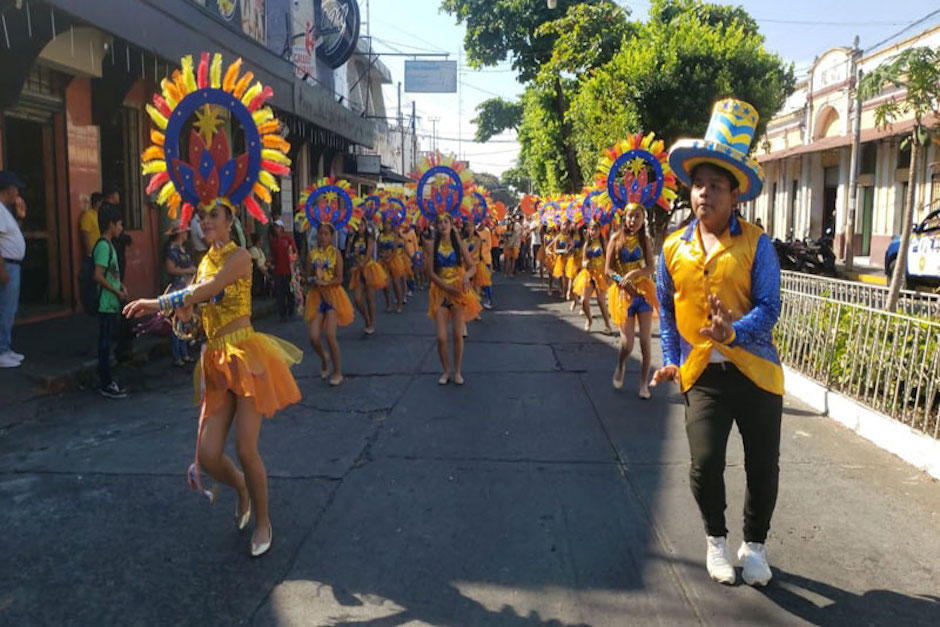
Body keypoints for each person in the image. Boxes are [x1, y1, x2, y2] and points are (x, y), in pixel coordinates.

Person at [128, 53, 299, 557]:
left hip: (246, 356)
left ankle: (264, 521)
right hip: (214, 360)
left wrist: (161, 299)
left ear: (230, 221)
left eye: (213, 217)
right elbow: (197, 310)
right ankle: (242, 493)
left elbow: (206, 291)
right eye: (202, 217)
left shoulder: (241, 257)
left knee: (246, 448)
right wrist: (177, 319)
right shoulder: (201, 262)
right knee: (207, 455)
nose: (205, 224)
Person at [652, 98, 783, 587]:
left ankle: (755, 546)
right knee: (705, 464)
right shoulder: (672, 247)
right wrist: (670, 359)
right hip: (703, 372)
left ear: (734, 196)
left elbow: (770, 307)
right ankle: (715, 540)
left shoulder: (756, 243)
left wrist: (735, 331)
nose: (704, 193)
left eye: (715, 186)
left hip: (756, 371)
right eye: (698, 184)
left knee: (762, 467)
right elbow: (666, 308)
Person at [606, 204, 656, 396]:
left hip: (643, 293)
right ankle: (621, 364)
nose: (633, 220)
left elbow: (651, 267)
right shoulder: (615, 239)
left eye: (637, 216)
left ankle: (643, 384)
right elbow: (608, 270)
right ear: (624, 218)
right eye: (630, 216)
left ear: (643, 219)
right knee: (628, 344)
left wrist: (636, 272)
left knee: (645, 341)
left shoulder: (646, 240)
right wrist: (621, 281)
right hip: (623, 295)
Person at [427, 212, 479, 385]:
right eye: (440, 222)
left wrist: (466, 277)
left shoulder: (459, 244)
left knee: (457, 335)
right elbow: (431, 273)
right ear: (436, 226)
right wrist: (445, 286)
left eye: (446, 221)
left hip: (458, 293)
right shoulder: (433, 245)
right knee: (441, 337)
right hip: (441, 292)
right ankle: (446, 371)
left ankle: (457, 371)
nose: (443, 225)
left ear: (451, 224)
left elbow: (472, 267)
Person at [303, 217, 354, 387]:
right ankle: (324, 358)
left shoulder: (336, 253)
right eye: (320, 234)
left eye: (326, 234)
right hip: (317, 297)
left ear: (331, 236)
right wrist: (313, 279)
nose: (322, 237)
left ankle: (338, 371)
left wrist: (326, 282)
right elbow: (306, 276)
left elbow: (340, 278)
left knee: (331, 335)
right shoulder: (312, 253)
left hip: (332, 296)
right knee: (313, 337)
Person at [93, 203, 129, 397]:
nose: (121, 228)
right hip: (105, 302)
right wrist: (116, 292)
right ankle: (106, 382)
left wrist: (120, 287)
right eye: (119, 224)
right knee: (105, 345)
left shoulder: (110, 246)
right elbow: (98, 275)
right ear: (110, 225)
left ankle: (107, 379)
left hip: (111, 301)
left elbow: (111, 275)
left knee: (109, 342)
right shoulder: (103, 246)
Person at [0, 171, 26, 368]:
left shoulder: (5, 210)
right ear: (7, 189)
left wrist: (21, 217)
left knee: (10, 309)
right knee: (5, 309)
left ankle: (6, 348)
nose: (17, 192)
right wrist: (2, 270)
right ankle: (1, 350)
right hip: (6, 264)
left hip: (12, 264)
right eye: (15, 188)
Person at [347, 213, 387, 334]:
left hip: (368, 269)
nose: (360, 228)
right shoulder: (353, 239)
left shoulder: (369, 238)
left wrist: (360, 265)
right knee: (357, 300)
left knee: (369, 298)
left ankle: (371, 323)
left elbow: (369, 254)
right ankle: (366, 319)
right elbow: (348, 254)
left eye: (362, 225)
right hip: (358, 271)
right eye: (358, 226)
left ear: (365, 226)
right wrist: (350, 250)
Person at [164, 221, 197, 367]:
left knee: (185, 321)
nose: (186, 233)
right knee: (177, 322)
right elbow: (170, 269)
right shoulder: (172, 251)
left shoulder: (182, 249)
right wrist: (188, 271)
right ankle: (177, 355)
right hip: (177, 288)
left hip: (186, 287)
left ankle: (185, 353)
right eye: (184, 231)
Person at [572, 219, 612, 334]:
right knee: (584, 300)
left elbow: (609, 260)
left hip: (600, 274)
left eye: (595, 229)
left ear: (600, 230)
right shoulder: (586, 244)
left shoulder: (604, 243)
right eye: (591, 229)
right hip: (589, 274)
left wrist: (609, 275)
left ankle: (607, 324)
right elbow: (584, 260)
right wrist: (585, 263)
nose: (593, 231)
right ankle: (589, 320)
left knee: (601, 301)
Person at [271, 219, 296, 321]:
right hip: (278, 271)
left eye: (278, 227)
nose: (276, 229)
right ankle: (282, 313)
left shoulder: (287, 239)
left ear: (282, 228)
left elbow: (293, 252)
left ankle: (291, 310)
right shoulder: (273, 241)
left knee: (289, 292)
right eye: (275, 227)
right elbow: (273, 255)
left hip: (288, 270)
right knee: (280, 293)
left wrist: (293, 266)